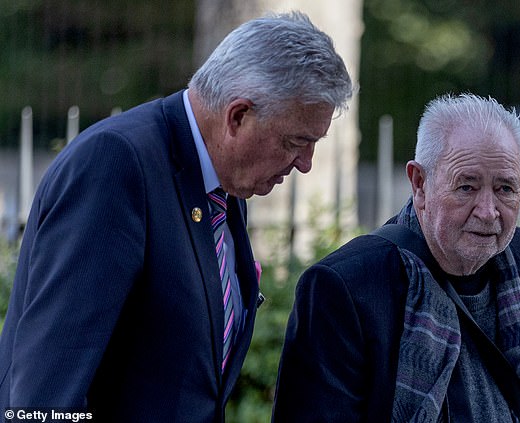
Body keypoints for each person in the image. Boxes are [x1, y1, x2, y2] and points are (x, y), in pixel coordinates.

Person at [0, 11, 352, 422]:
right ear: (237, 117)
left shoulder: (223, 178)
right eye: (296, 141)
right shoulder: (117, 165)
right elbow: (45, 394)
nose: (306, 164)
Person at [272, 94, 520, 422]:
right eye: (467, 187)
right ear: (419, 183)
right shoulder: (346, 287)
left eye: (505, 189)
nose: (488, 212)